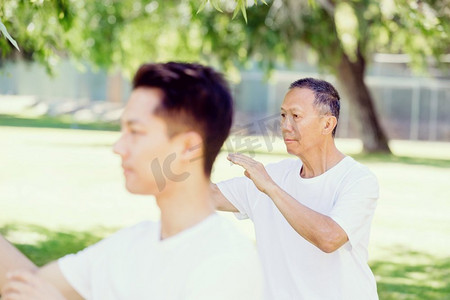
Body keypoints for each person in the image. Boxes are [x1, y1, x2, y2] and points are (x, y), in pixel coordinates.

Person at [0, 62, 263, 300]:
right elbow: (28, 288)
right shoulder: (132, 243)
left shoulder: (226, 263)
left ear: (189, 148)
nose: (118, 146)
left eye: (135, 132)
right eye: (122, 130)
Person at [212, 78, 379, 299]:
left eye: (296, 116)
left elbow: (329, 238)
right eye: (283, 115)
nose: (285, 125)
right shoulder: (273, 175)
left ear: (327, 124)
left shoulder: (357, 180)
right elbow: (205, 196)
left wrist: (271, 188)